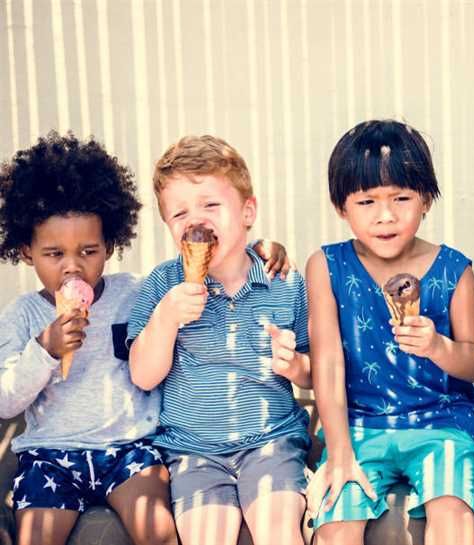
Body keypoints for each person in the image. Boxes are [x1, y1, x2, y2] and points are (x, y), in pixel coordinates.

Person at [306, 120, 474, 545]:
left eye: (401, 198)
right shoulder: (326, 266)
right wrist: (339, 453)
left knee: (453, 515)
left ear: (426, 200)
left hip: (443, 422)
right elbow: (328, 361)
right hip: (359, 425)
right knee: (336, 525)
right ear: (341, 207)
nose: (385, 215)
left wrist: (438, 347)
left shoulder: (454, 270)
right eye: (367, 201)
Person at [127, 135, 310, 545]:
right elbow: (142, 375)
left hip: (273, 441)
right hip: (193, 452)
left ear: (248, 211)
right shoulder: (161, 285)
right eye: (179, 213)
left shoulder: (285, 283)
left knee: (279, 531)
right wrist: (166, 319)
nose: (196, 220)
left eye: (211, 205)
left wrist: (296, 365)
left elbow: (317, 369)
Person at [0, 131, 178, 545]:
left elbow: (188, 283)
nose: (72, 267)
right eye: (54, 254)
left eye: (88, 251)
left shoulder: (134, 293)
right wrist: (44, 350)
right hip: (50, 455)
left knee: (159, 532)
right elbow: (7, 400)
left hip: (129, 448)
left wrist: (257, 253)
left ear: (110, 245)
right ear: (26, 251)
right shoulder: (23, 315)